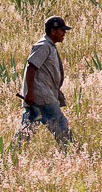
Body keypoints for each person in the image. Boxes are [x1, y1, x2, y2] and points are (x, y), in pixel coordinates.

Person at [16, 15, 73, 145]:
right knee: (61, 126)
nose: (64, 33)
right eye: (62, 30)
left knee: (25, 131)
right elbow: (31, 68)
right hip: (43, 97)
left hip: (40, 96)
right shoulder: (43, 46)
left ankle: (12, 156)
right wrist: (30, 93)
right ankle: (71, 153)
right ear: (53, 31)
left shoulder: (49, 46)